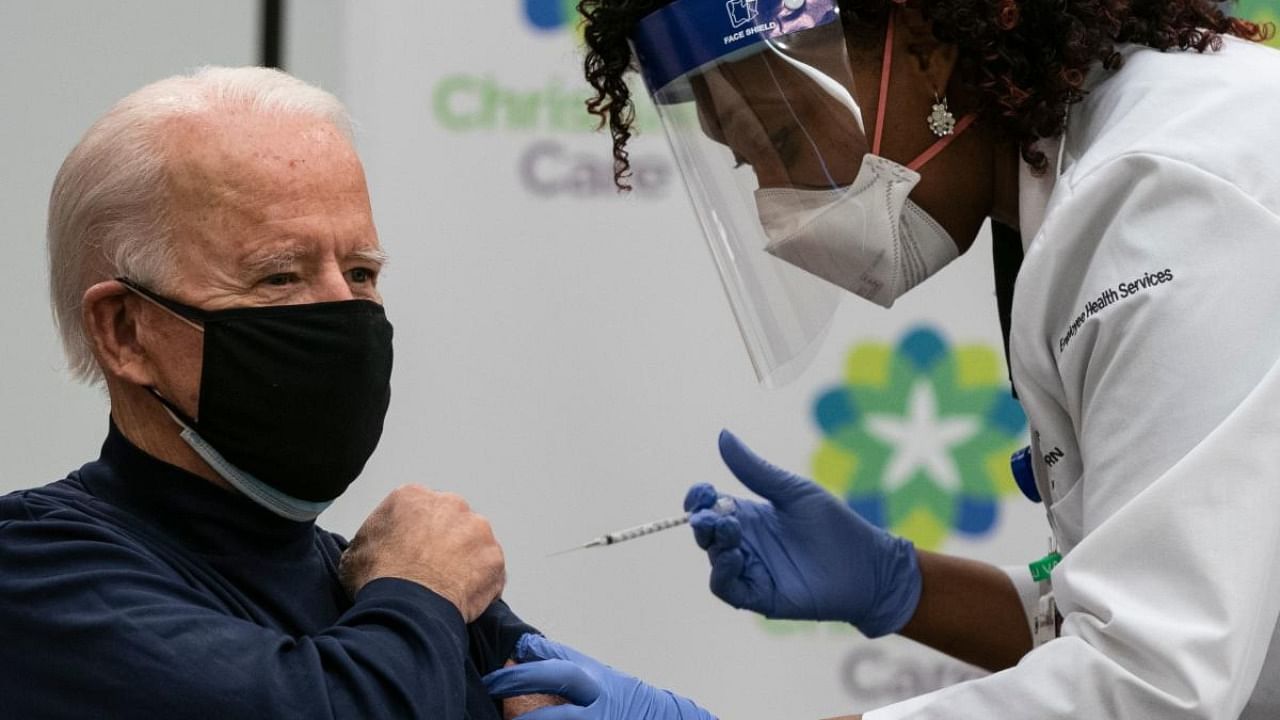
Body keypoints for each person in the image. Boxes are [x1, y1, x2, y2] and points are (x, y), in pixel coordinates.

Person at [486, 0, 1280, 718]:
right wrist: (900, 585)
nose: (777, 205)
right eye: (746, 159)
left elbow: (1150, 686)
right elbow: (1149, 615)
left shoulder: (1161, 196)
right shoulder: (1087, 175)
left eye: (782, 138)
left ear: (927, 42)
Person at [3, 66, 713, 720]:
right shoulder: (39, 572)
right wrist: (424, 590)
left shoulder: (369, 578)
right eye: (281, 277)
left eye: (363, 273)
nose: (344, 315)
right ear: (126, 331)